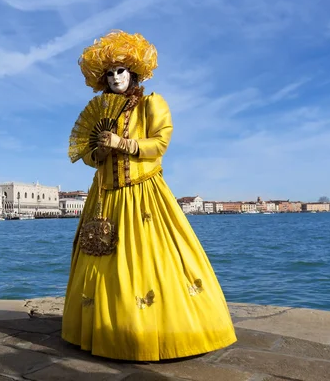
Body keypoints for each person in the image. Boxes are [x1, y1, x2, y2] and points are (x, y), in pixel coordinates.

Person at [62, 30, 237, 361]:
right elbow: (87, 154)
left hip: (144, 196)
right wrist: (98, 151)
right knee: (103, 263)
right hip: (105, 198)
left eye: (121, 71)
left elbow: (160, 145)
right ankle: (105, 331)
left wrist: (124, 144)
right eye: (110, 73)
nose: (115, 77)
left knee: (150, 262)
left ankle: (153, 332)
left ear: (133, 72)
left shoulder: (152, 103)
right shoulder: (102, 109)